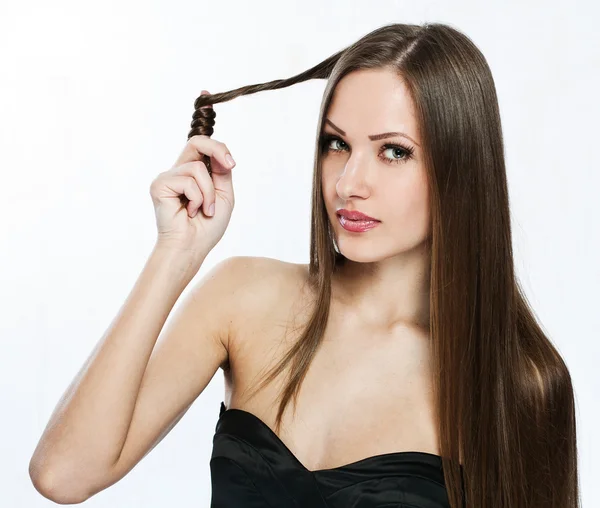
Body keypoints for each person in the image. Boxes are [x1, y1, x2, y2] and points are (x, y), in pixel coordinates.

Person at [28, 22, 580, 508]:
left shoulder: (518, 382)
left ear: (461, 166)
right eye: (336, 144)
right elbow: (63, 476)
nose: (348, 184)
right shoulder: (244, 300)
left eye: (393, 151)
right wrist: (175, 254)